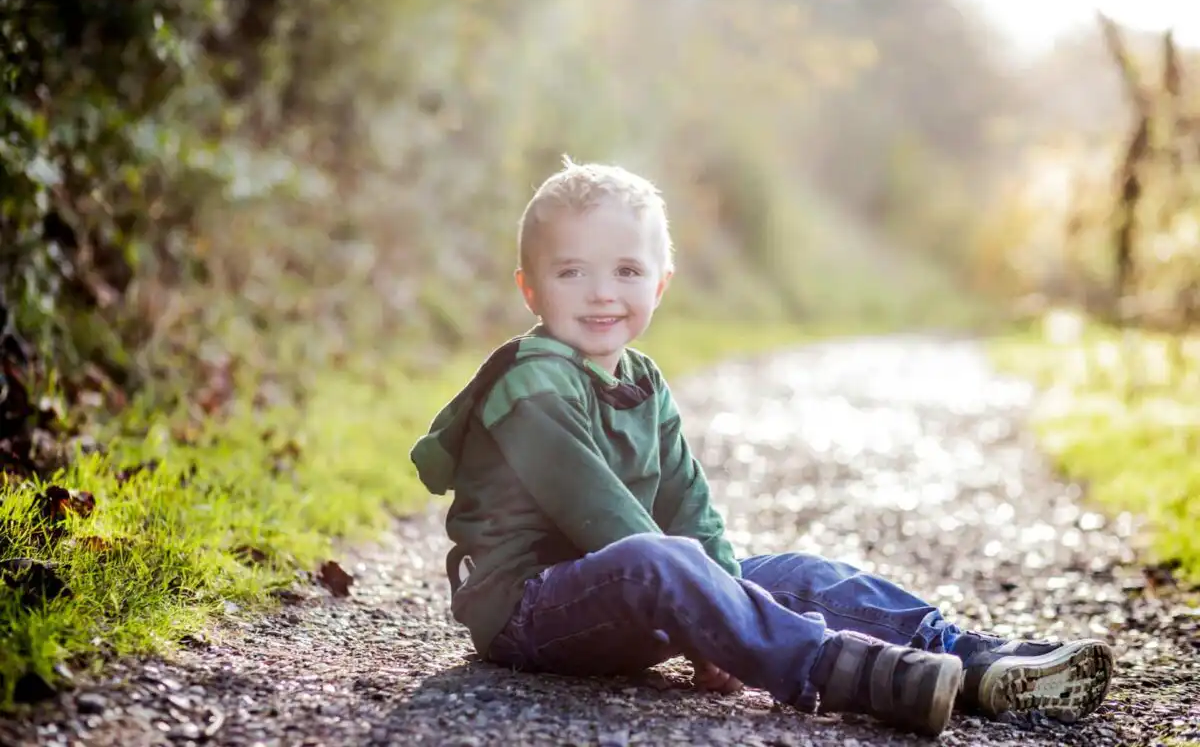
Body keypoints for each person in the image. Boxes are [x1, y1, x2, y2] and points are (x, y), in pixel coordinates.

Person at [408, 157, 1114, 737]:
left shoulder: (644, 379)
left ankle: (970, 660)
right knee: (664, 561)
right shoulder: (531, 386)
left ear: (660, 283)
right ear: (530, 287)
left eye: (626, 271)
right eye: (572, 272)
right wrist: (711, 631)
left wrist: (723, 596)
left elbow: (690, 505)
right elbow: (605, 521)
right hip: (531, 612)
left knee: (797, 574)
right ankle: (847, 671)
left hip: (635, 592)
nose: (601, 293)